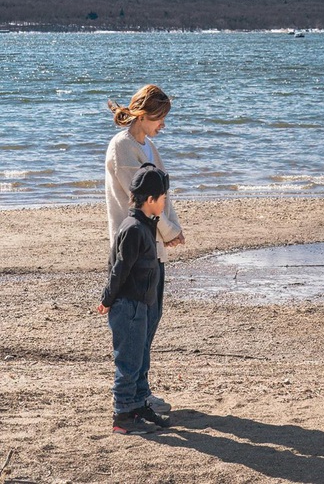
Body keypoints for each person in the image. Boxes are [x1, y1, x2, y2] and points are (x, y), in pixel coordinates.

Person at [105, 84, 184, 415]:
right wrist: (168, 232)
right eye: (159, 119)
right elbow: (143, 202)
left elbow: (163, 195)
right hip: (135, 251)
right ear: (143, 114)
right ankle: (130, 400)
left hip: (155, 250)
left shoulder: (148, 145)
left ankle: (141, 391)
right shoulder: (122, 148)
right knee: (136, 327)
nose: (162, 126)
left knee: (149, 323)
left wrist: (173, 231)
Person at [98, 164, 171, 434]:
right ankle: (122, 417)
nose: (165, 202)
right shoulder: (132, 228)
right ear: (150, 200)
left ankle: (137, 404)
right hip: (127, 305)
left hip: (140, 303)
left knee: (139, 357)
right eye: (163, 198)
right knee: (128, 361)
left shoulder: (145, 225)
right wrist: (107, 299)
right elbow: (119, 269)